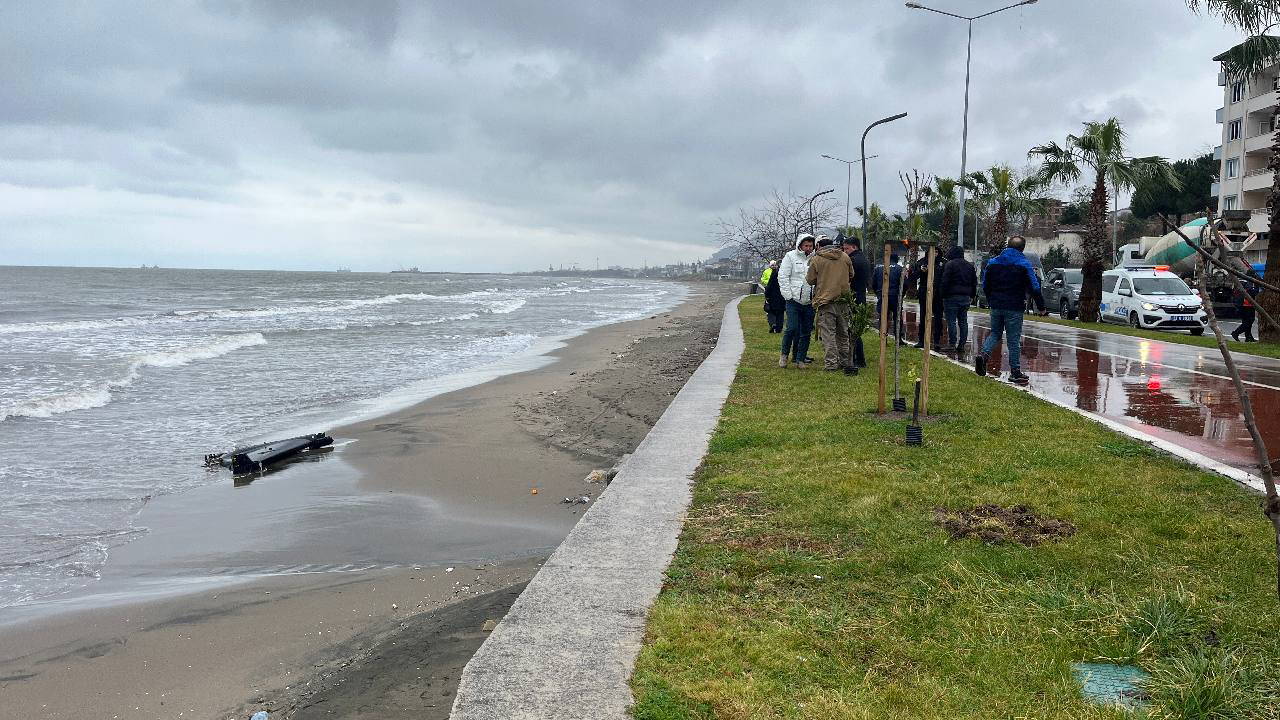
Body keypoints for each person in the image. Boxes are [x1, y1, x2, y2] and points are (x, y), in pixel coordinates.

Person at [975, 236, 1046, 384]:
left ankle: (983, 355)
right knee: (1013, 339)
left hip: (996, 304)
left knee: (995, 333)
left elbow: (986, 284)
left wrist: (990, 299)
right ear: (1022, 248)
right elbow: (1034, 286)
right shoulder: (1024, 264)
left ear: (1007, 245)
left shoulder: (993, 262)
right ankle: (1015, 372)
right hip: (1014, 305)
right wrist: (1041, 306)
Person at [807, 236, 857, 374]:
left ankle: (831, 364)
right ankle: (845, 361)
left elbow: (810, 280)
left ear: (818, 246)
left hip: (825, 302)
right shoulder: (845, 257)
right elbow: (852, 274)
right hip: (843, 300)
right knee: (843, 333)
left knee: (828, 334)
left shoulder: (816, 259)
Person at [778, 233, 816, 368]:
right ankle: (784, 355)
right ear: (800, 245)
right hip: (793, 300)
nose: (808, 248)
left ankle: (800, 359)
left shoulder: (815, 258)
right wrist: (788, 295)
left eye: (810, 246)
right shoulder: (790, 256)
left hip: (809, 301)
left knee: (806, 331)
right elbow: (783, 276)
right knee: (792, 328)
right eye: (806, 245)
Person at [938, 246, 977, 355]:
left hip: (951, 296)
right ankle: (962, 345)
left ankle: (952, 344)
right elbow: (974, 282)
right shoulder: (970, 266)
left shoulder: (950, 265)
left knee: (951, 321)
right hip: (965, 297)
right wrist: (972, 295)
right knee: (963, 321)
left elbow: (945, 281)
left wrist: (942, 294)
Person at [842, 236, 871, 367]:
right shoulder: (864, 259)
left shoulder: (853, 260)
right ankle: (858, 359)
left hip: (854, 296)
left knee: (853, 331)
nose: (845, 251)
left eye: (846, 248)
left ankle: (857, 359)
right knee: (856, 330)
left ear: (854, 247)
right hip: (861, 296)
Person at [909, 253, 945, 348]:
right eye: (933, 251)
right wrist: (921, 271)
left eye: (937, 252)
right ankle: (921, 340)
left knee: (938, 318)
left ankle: (936, 341)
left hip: (938, 295)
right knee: (923, 316)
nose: (935, 254)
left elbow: (945, 277)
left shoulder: (943, 263)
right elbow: (913, 276)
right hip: (924, 292)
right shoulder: (922, 262)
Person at [872, 254, 904, 342]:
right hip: (895, 295)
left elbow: (873, 283)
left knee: (883, 317)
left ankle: (883, 337)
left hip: (882, 295)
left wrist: (878, 293)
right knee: (897, 317)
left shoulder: (878, 267)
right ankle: (898, 338)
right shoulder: (899, 268)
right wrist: (901, 295)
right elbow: (905, 284)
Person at [762, 260, 785, 333]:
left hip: (773, 296)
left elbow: (769, 285)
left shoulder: (774, 273)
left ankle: (773, 324)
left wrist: (767, 295)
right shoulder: (784, 274)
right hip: (782, 296)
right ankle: (779, 328)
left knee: (771, 311)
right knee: (780, 313)